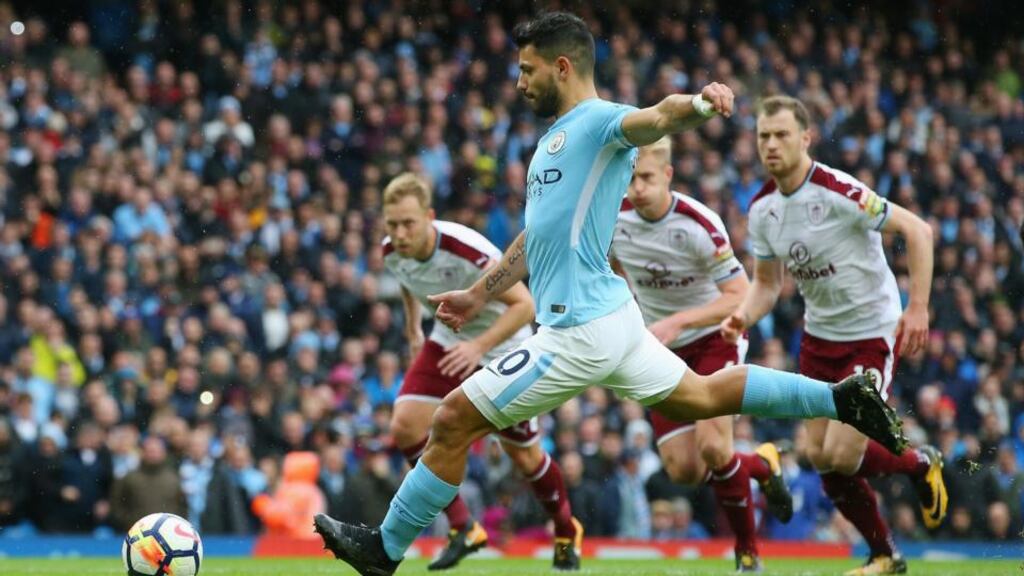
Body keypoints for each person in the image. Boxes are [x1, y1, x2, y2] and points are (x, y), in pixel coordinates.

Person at [314, 13, 905, 576]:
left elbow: (655, 119)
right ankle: (840, 400)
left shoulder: (598, 122)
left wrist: (700, 103)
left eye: (528, 70)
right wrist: (477, 293)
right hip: (613, 319)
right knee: (699, 398)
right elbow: (535, 238)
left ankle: (384, 549)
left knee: (449, 420)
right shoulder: (553, 142)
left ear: (563, 66)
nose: (519, 83)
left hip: (578, 332)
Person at [720, 95, 947, 576]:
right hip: (819, 339)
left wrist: (919, 308)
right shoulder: (762, 208)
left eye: (782, 134)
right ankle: (885, 555)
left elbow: (918, 231)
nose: (771, 144)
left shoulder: (837, 190)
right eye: (764, 136)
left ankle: (919, 463)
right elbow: (766, 284)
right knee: (820, 459)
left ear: (806, 138)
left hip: (871, 332)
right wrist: (743, 315)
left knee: (843, 454)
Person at [379, 172, 581, 570]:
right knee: (405, 426)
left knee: (524, 458)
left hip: (503, 345)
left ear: (429, 217)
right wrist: (412, 330)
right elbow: (407, 279)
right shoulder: (392, 251)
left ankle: (564, 526)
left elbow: (524, 306)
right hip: (448, 339)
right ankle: (462, 525)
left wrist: (478, 347)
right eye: (392, 224)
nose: (399, 234)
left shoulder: (463, 250)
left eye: (408, 224)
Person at [610, 136, 792, 571]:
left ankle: (747, 550)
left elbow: (739, 295)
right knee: (684, 470)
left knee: (713, 447)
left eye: (647, 178)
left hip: (715, 338)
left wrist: (677, 321)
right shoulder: (613, 220)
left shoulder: (698, 223)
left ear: (668, 175)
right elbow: (614, 270)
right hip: (661, 349)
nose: (637, 188)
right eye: (631, 179)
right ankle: (760, 466)